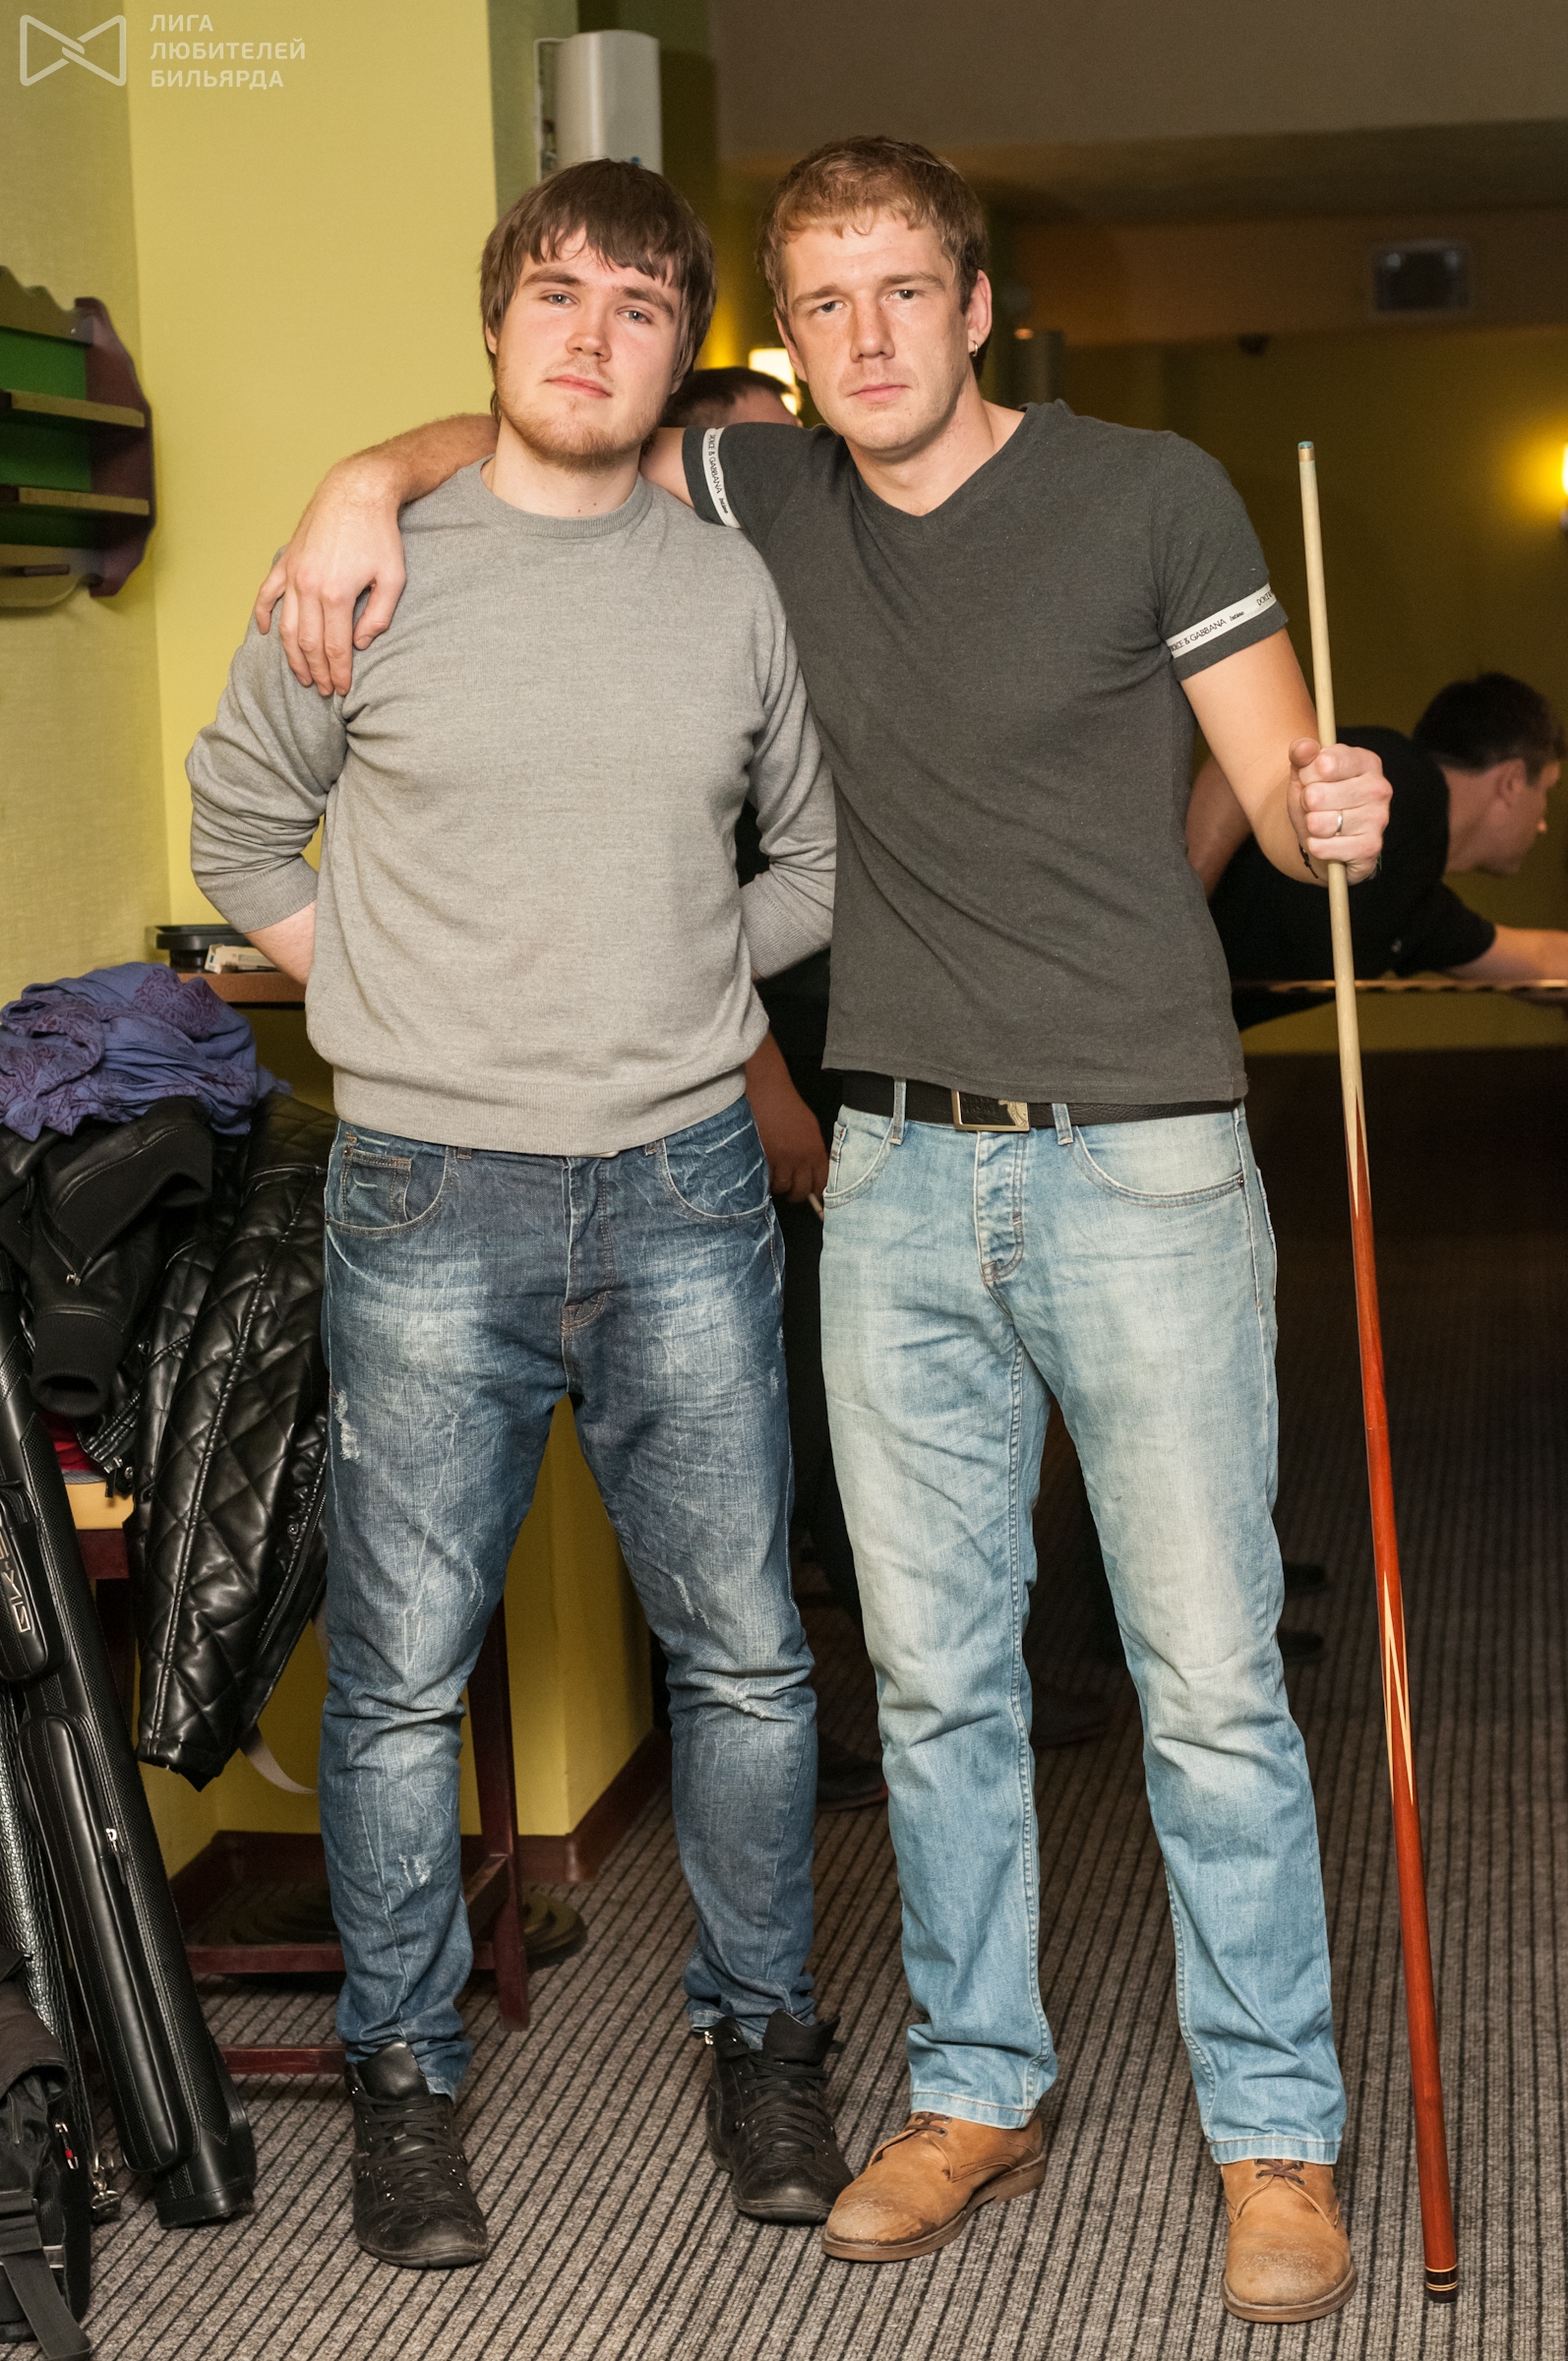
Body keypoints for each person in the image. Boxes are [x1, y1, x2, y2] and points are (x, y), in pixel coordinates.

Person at [251, 138, 1394, 2324]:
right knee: (937, 1680)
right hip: (886, 1178)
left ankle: (1271, 2136)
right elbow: (540, 420)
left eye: (901, 291)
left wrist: (1327, 807)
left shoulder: (1151, 491)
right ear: (781, 342)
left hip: (1142, 1160)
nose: (867, 336)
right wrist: (351, 485)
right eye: (821, 303)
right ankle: (973, 2089)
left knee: (1207, 1683)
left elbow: (1275, 792)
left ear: (975, 305)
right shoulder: (758, 488)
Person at [187, 161, 856, 2271]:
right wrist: (384, 988)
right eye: (555, 294)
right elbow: (237, 828)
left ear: (676, 361)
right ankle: (404, 2080)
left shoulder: (729, 593)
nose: (590, 334)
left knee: (742, 1660)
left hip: (681, 1189)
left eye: (640, 308)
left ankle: (760, 2037)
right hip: (424, 1196)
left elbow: (812, 863)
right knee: (400, 1678)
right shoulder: (370, 568)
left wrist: (675, 976)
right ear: (491, 327)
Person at [1189, 670, 1566, 1022]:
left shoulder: (1416, 905)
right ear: (1513, 781)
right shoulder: (1401, 778)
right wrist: (1178, 920)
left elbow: (1543, 962)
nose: (1543, 823)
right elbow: (1239, 771)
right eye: (1547, 790)